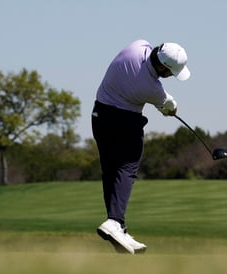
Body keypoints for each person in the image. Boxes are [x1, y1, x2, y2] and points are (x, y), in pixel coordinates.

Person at [91, 39, 190, 254]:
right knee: (127, 168)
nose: (170, 76)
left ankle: (119, 227)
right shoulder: (153, 89)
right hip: (124, 122)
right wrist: (170, 108)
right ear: (162, 67)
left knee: (110, 171)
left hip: (99, 116)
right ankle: (115, 222)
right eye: (170, 72)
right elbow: (167, 105)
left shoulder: (137, 45)